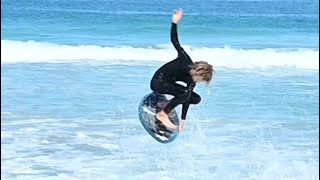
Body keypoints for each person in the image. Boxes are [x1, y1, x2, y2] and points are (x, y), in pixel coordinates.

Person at [150, 9, 215, 132]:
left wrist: (183, 119)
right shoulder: (185, 60)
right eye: (201, 79)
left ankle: (164, 105)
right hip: (157, 82)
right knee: (186, 92)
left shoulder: (192, 81)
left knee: (195, 98)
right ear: (199, 72)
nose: (199, 82)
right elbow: (175, 41)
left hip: (169, 85)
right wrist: (174, 22)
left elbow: (186, 98)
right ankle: (162, 114)